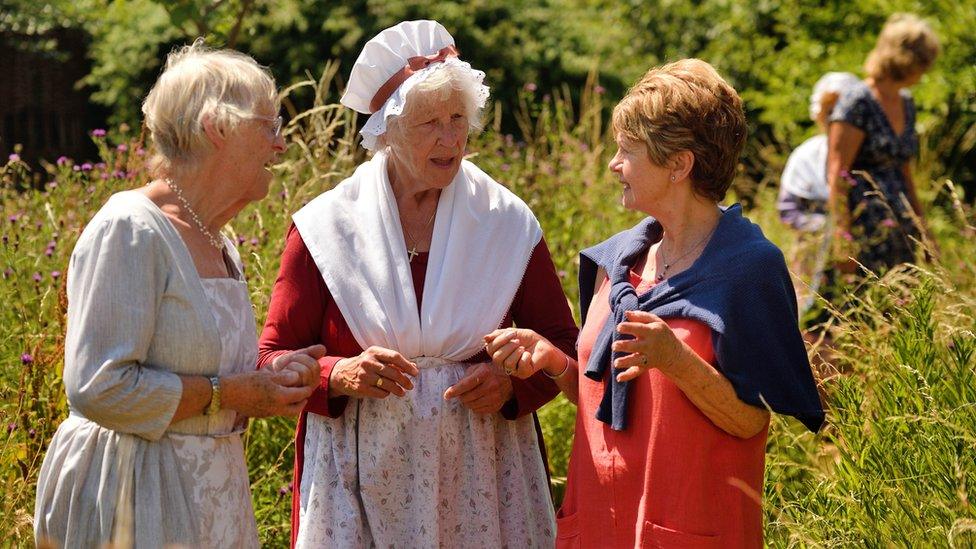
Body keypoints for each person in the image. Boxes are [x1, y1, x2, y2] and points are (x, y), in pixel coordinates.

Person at [257, 20, 577, 548]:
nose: (450, 139)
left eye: (458, 119)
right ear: (386, 130)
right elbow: (272, 354)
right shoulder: (326, 227)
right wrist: (339, 374)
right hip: (357, 482)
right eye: (429, 122)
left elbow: (562, 346)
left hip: (484, 483)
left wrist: (511, 384)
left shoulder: (506, 222)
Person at [487, 59, 825, 547]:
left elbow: (753, 419)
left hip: (690, 526)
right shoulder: (618, 262)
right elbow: (608, 400)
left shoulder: (749, 270)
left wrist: (676, 360)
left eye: (628, 151)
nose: (613, 164)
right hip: (599, 525)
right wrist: (555, 363)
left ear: (678, 165)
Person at [34, 41, 324, 548]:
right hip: (135, 495)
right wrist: (231, 394)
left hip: (211, 492)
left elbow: (208, 369)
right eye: (269, 126)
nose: (281, 144)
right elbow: (99, 386)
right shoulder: (130, 229)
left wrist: (266, 381)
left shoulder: (219, 238)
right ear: (216, 126)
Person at [827, 13, 940, 275]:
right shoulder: (857, 102)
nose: (927, 69)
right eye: (923, 61)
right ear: (904, 58)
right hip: (865, 230)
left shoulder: (907, 103)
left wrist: (924, 230)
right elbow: (836, 173)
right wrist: (843, 239)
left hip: (900, 229)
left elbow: (905, 172)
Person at [778, 72, 860, 313]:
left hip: (858, 258)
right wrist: (824, 226)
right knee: (811, 315)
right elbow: (787, 210)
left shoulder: (868, 158)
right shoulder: (806, 155)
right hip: (812, 255)